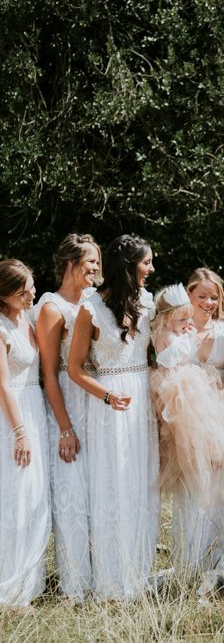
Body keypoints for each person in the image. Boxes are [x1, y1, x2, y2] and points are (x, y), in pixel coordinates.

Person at [68, 234, 159, 599]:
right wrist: (107, 396)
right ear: (128, 266)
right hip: (109, 403)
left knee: (141, 482)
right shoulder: (90, 309)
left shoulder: (148, 304)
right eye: (146, 262)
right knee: (113, 483)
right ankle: (112, 580)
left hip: (142, 398)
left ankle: (139, 574)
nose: (151, 269)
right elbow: (74, 368)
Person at [149, 284, 224, 573]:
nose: (188, 324)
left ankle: (215, 548)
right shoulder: (166, 336)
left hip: (201, 402)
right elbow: (171, 359)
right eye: (182, 319)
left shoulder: (189, 331)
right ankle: (193, 553)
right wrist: (189, 340)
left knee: (213, 473)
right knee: (193, 475)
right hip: (185, 404)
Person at [34, 234, 101, 600]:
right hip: (68, 403)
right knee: (73, 491)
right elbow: (49, 374)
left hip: (97, 401)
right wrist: (64, 428)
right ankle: (76, 583)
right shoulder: (51, 308)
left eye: (97, 262)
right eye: (90, 261)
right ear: (70, 264)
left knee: (97, 489)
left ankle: (103, 569)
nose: (96, 268)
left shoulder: (94, 302)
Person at [0, 260, 50, 607]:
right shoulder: (1, 328)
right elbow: (2, 385)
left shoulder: (27, 319)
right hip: (13, 414)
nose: (31, 294)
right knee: (15, 498)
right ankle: (10, 587)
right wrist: (19, 433)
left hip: (35, 409)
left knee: (34, 497)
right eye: (23, 291)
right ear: (4, 295)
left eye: (31, 286)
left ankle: (29, 584)